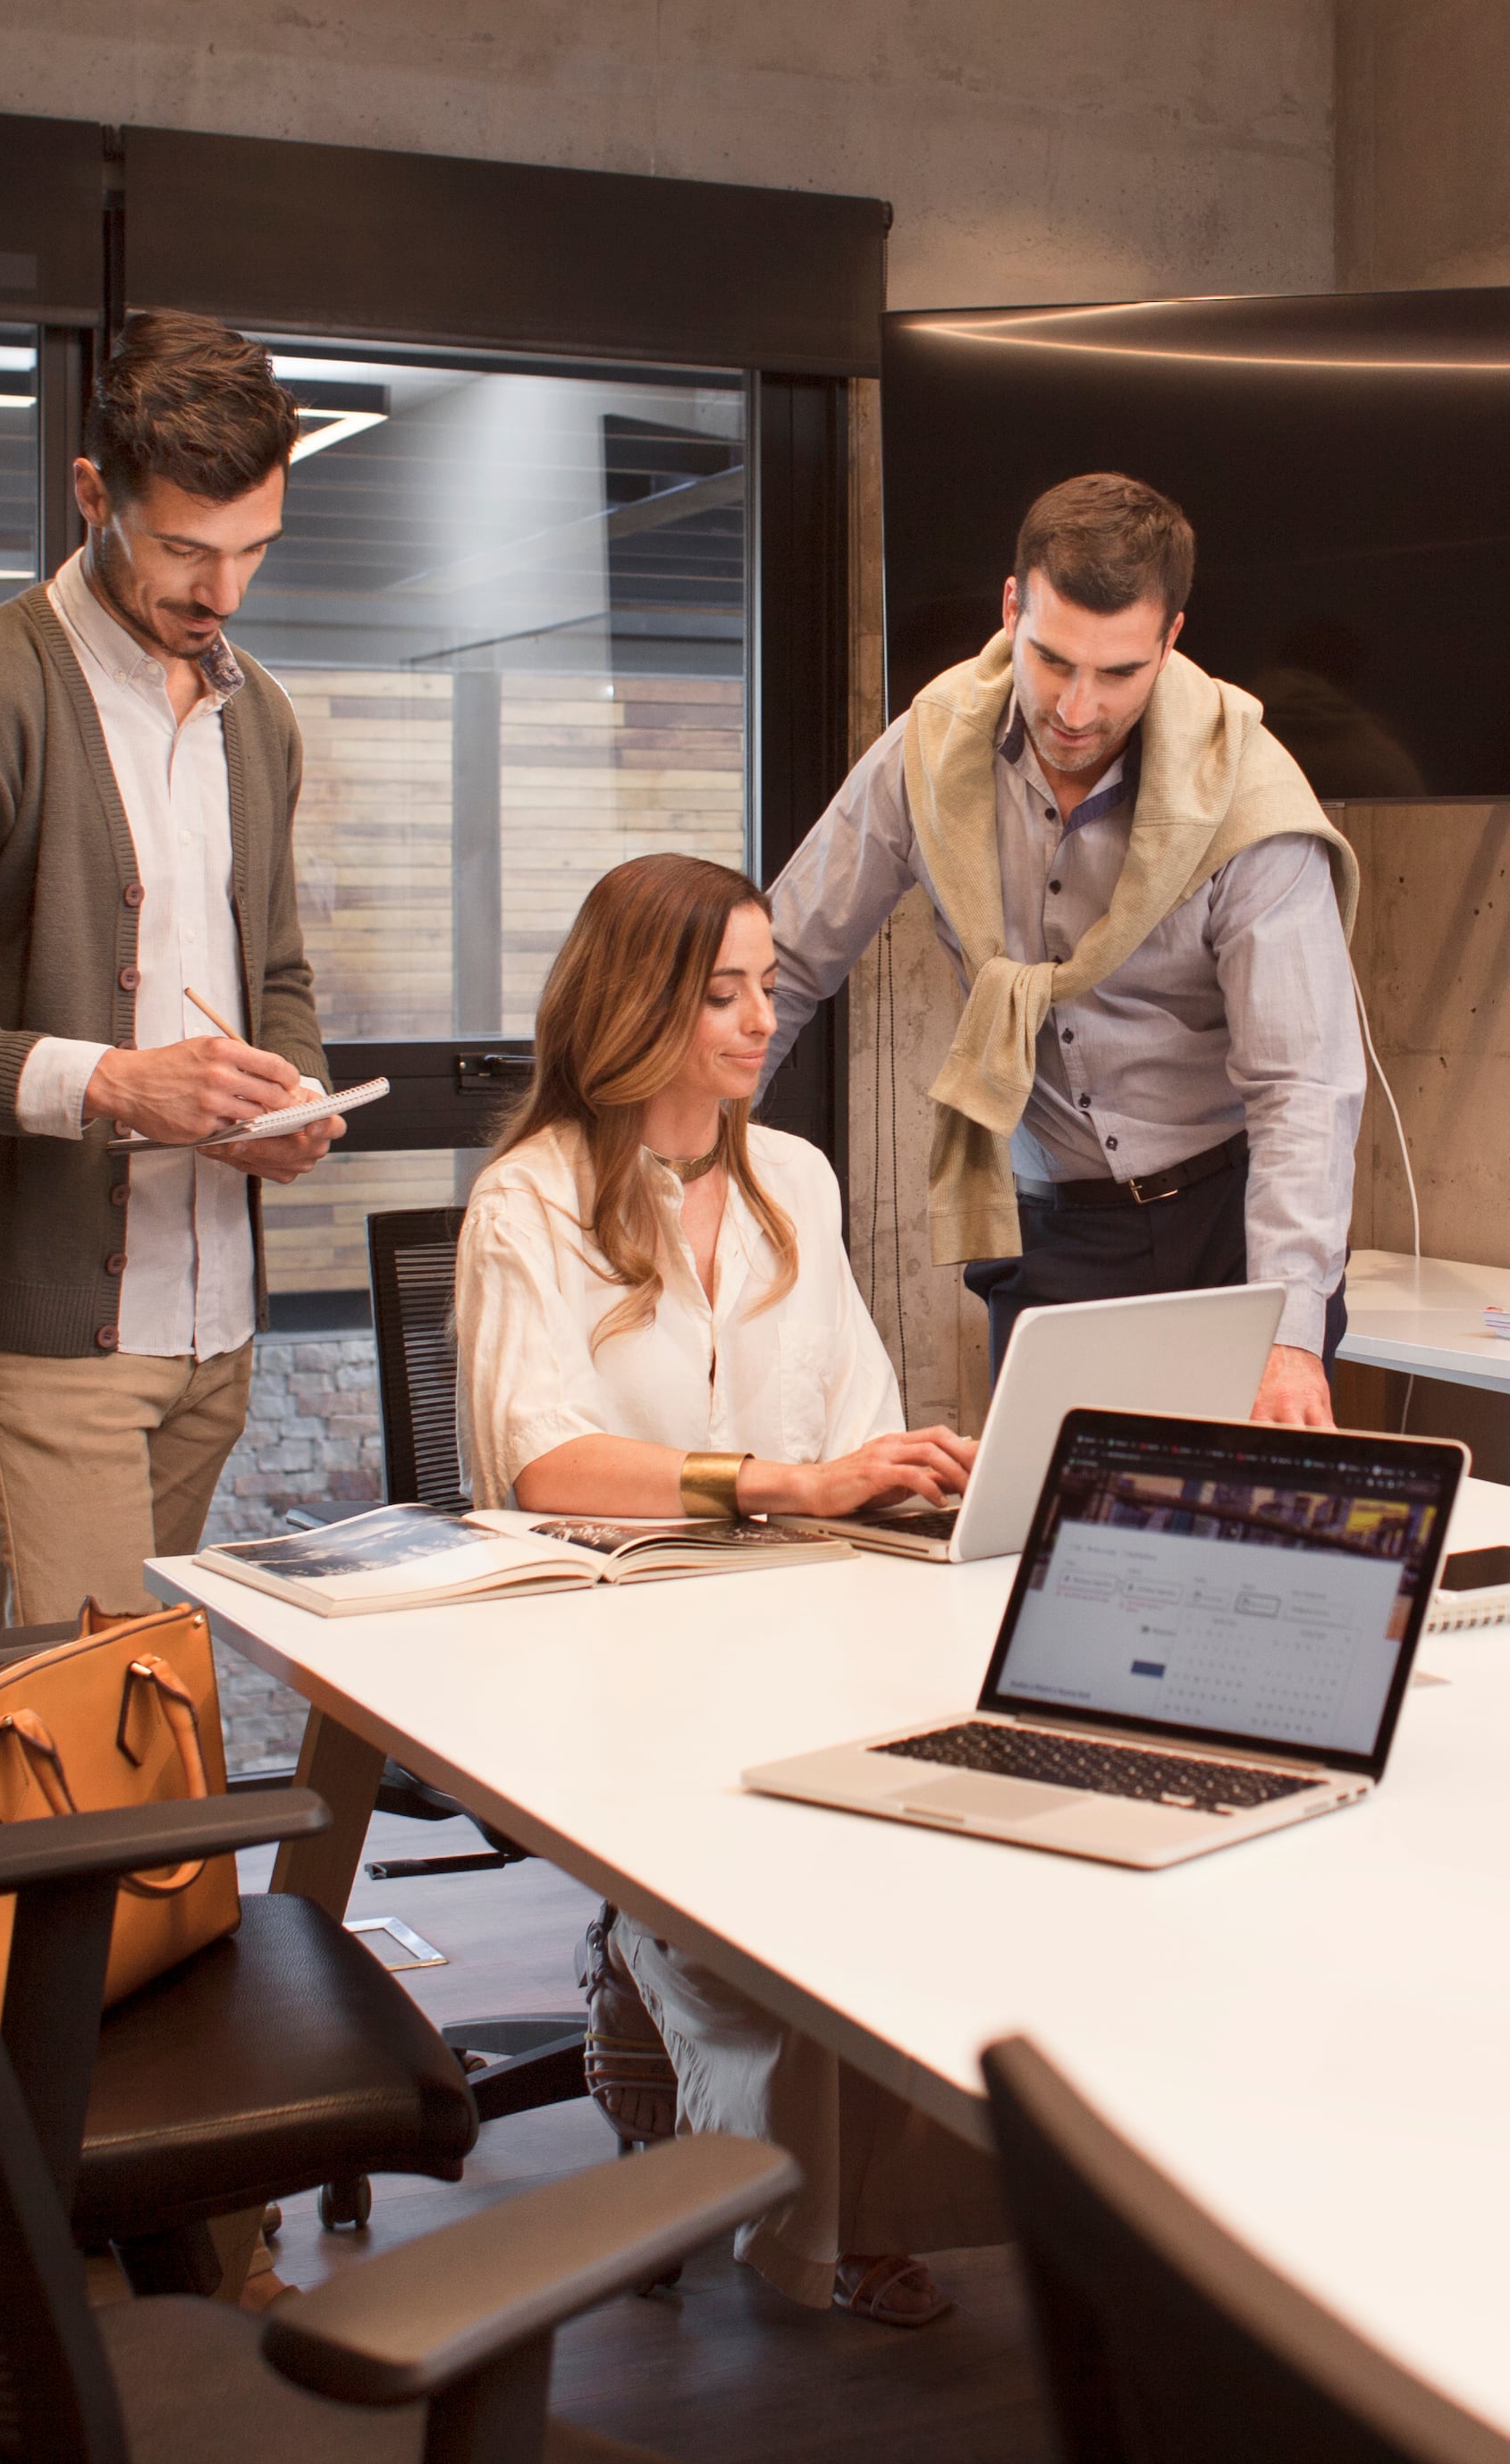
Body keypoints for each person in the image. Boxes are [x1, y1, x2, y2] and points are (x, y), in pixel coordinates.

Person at [451, 852, 992, 2325]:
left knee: (933, 1839)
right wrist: (771, 1481)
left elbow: (853, 1412)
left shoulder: (796, 1183)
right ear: (634, 1007)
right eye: (723, 993)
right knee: (762, 1899)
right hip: (611, 1636)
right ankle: (802, 2219)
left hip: (803, 1610)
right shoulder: (531, 1199)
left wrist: (901, 1472)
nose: (764, 1020)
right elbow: (538, 1458)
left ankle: (869, 2205)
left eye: (768, 987)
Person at [0, 307, 342, 1627]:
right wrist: (112, 1086)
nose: (219, 593)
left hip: (216, 1323)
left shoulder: (254, 716)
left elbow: (274, 968)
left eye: (252, 551)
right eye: (182, 550)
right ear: (94, 492)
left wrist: (295, 1101)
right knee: (87, 1766)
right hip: (47, 1338)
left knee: (150, 1741)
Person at [761, 470, 1364, 1423]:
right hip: (1051, 1227)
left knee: (1234, 1552)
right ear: (1011, 608)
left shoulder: (1248, 794)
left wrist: (1290, 1336)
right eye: (1050, 660)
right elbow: (783, 962)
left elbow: (1302, 1084)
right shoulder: (929, 749)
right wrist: (670, 1177)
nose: (1076, 709)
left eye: (1118, 673)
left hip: (1226, 1223)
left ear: (1169, 640)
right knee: (1038, 1540)